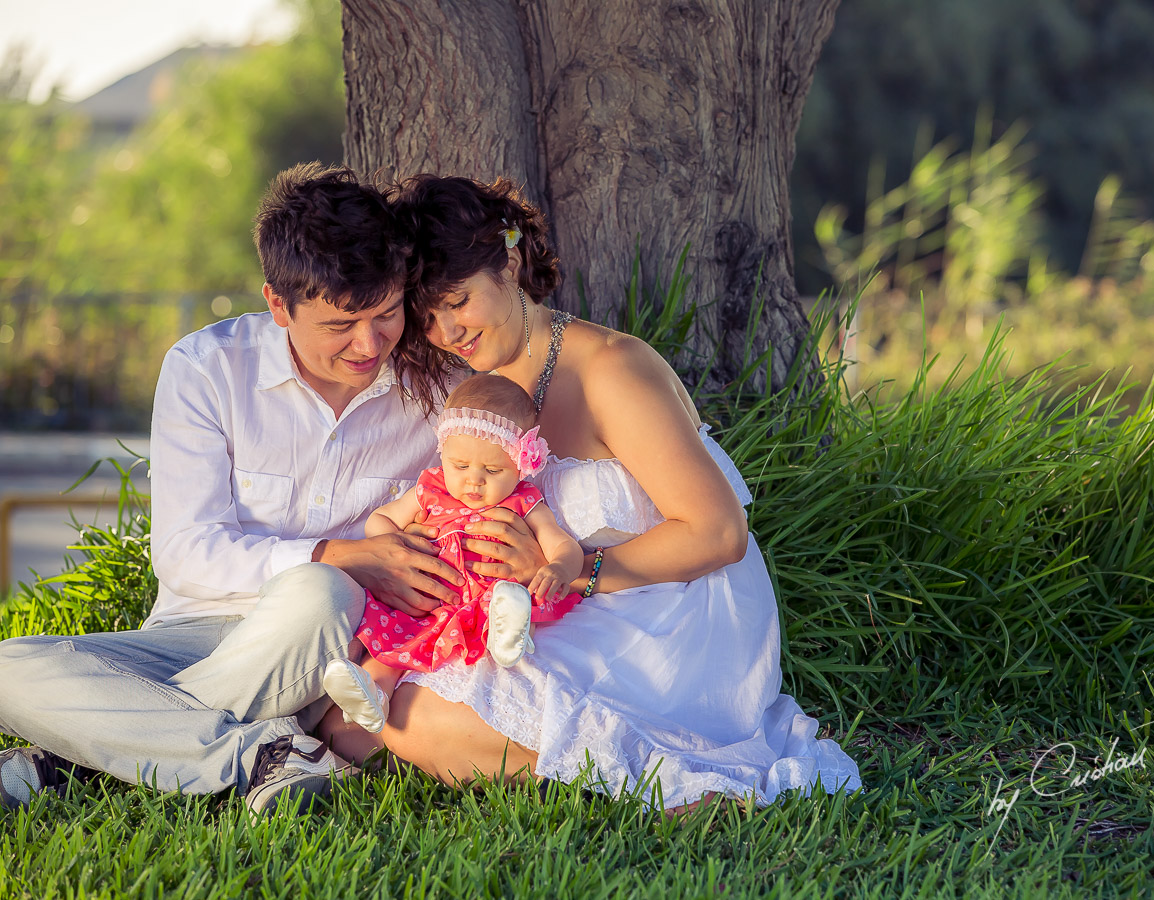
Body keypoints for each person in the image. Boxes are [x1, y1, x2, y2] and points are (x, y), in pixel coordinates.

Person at [319, 174, 862, 809]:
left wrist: (572, 573)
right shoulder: (478, 386)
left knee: (415, 717)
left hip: (665, 609)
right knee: (347, 723)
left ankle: (667, 790)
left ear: (512, 261)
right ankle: (564, 763)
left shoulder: (611, 368)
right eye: (429, 317)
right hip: (543, 608)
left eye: (458, 300)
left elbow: (718, 534)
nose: (447, 332)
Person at [0, 163, 464, 814]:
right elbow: (187, 552)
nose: (370, 343)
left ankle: (85, 758)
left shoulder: (438, 390)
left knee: (320, 590)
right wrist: (342, 553)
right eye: (340, 324)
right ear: (278, 303)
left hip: (325, 637)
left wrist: (345, 569)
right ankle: (258, 754)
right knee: (7, 667)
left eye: (386, 314)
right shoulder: (206, 367)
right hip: (194, 632)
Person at [322, 372, 584, 735]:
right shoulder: (431, 487)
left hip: (488, 595)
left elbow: (563, 544)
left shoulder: (523, 501)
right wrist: (395, 546)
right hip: (428, 594)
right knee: (399, 633)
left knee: (507, 601)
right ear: (444, 452)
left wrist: (559, 567)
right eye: (460, 466)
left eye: (493, 470)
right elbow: (379, 520)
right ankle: (373, 692)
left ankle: (509, 637)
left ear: (521, 466)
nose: (473, 480)